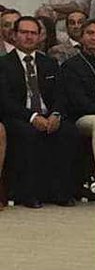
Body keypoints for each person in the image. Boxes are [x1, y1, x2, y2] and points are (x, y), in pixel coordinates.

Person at [0, 15, 82, 207]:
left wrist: (55, 114)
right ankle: (28, 194)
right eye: (24, 33)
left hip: (47, 115)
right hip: (19, 116)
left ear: (40, 37)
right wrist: (32, 117)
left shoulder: (49, 63)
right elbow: (5, 100)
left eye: (33, 33)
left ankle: (61, 192)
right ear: (14, 35)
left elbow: (61, 95)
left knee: (68, 132)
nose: (29, 37)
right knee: (28, 133)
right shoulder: (4, 64)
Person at [60, 19, 95, 184]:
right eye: (90, 33)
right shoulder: (71, 65)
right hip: (81, 118)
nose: (94, 37)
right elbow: (77, 101)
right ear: (82, 37)